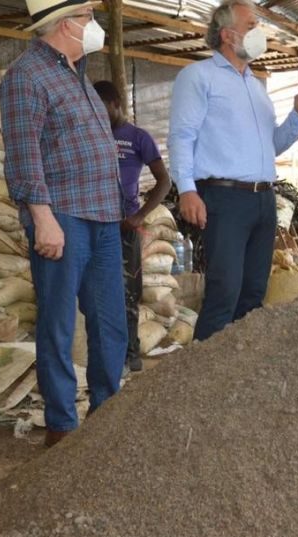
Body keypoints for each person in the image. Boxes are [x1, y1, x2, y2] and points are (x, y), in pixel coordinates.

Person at [0, 0, 127, 446]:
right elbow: (23, 155)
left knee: (110, 322)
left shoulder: (78, 74)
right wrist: (42, 219)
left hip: (103, 215)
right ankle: (62, 428)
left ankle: (107, 417)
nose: (94, 24)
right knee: (58, 323)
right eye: (88, 16)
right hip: (63, 216)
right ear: (65, 25)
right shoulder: (26, 76)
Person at [168, 0, 298, 342]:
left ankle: (238, 366)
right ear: (227, 35)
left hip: (263, 199)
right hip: (224, 198)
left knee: (252, 292)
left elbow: (271, 145)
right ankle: (205, 367)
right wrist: (187, 189)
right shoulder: (198, 76)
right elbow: (181, 136)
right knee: (225, 290)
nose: (258, 32)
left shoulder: (256, 86)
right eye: (251, 26)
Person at [93, 80, 171, 372]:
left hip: (124, 227)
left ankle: (130, 354)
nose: (97, 115)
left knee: (127, 291)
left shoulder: (138, 137)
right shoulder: (91, 135)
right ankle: (102, 354)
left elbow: (164, 181)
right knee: (95, 290)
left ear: (116, 105)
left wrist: (139, 216)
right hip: (93, 222)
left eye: (102, 108)